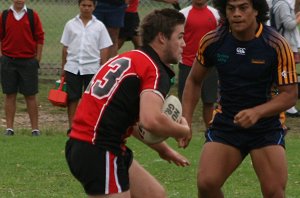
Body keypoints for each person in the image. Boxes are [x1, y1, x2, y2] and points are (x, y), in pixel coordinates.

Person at [65, 8, 190, 198]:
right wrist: (183, 130)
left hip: (89, 145)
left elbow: (122, 116)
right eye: (180, 37)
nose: (184, 43)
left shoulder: (130, 58)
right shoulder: (154, 69)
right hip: (99, 148)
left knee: (154, 194)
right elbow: (151, 121)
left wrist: (163, 149)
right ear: (162, 37)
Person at [181, 0, 298, 197]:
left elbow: (289, 96)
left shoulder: (276, 44)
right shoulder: (213, 41)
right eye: (231, 8)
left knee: (274, 192)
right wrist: (186, 121)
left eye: (243, 8)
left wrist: (257, 112)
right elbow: (193, 81)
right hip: (227, 123)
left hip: (266, 127)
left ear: (256, 10)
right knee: (207, 183)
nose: (236, 14)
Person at [60, 0, 112, 132]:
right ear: (79, 6)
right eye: (83, 5)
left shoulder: (99, 26)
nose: (86, 8)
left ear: (94, 7)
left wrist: (103, 66)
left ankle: (90, 126)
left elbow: (104, 47)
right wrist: (64, 67)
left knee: (91, 99)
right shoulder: (70, 24)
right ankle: (72, 127)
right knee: (72, 97)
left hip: (92, 67)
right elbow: (65, 47)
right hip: (73, 67)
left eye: (89, 6)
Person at [0, 0, 44, 136]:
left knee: (30, 95)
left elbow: (40, 38)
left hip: (28, 61)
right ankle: (9, 128)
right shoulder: (5, 15)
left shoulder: (32, 15)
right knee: (10, 94)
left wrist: (37, 59)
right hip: (8, 60)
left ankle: (35, 129)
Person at [178, 0, 220, 129]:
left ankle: (211, 131)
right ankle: (184, 130)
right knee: (185, 102)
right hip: (187, 64)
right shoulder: (183, 15)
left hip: (210, 65)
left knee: (209, 101)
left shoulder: (216, 14)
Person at [272, 0, 300, 117]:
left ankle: (285, 105)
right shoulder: (283, 5)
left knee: (284, 75)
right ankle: (288, 107)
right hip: (286, 44)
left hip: (283, 44)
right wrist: (298, 19)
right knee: (287, 76)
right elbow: (289, 25)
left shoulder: (278, 3)